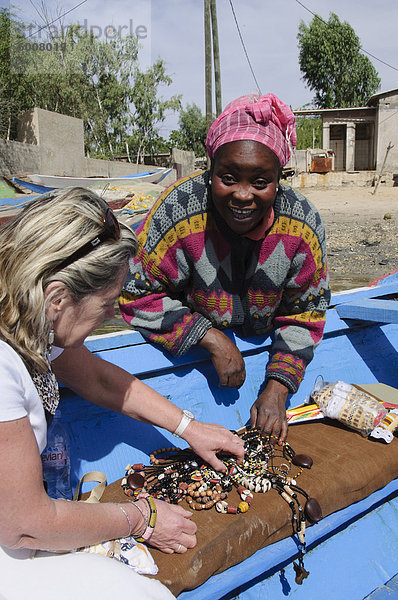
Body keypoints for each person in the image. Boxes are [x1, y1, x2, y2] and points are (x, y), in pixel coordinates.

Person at [0, 187, 244, 600]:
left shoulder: (27, 318)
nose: (115, 314)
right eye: (109, 302)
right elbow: (24, 524)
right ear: (58, 298)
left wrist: (190, 428)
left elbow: (98, 379)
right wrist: (140, 516)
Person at [119, 93, 331, 442]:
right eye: (228, 178)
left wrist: (278, 387)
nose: (243, 195)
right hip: (205, 332)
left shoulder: (302, 225)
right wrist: (210, 338)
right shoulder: (178, 209)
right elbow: (135, 291)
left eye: (260, 182)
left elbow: (306, 312)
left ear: (278, 181)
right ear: (210, 171)